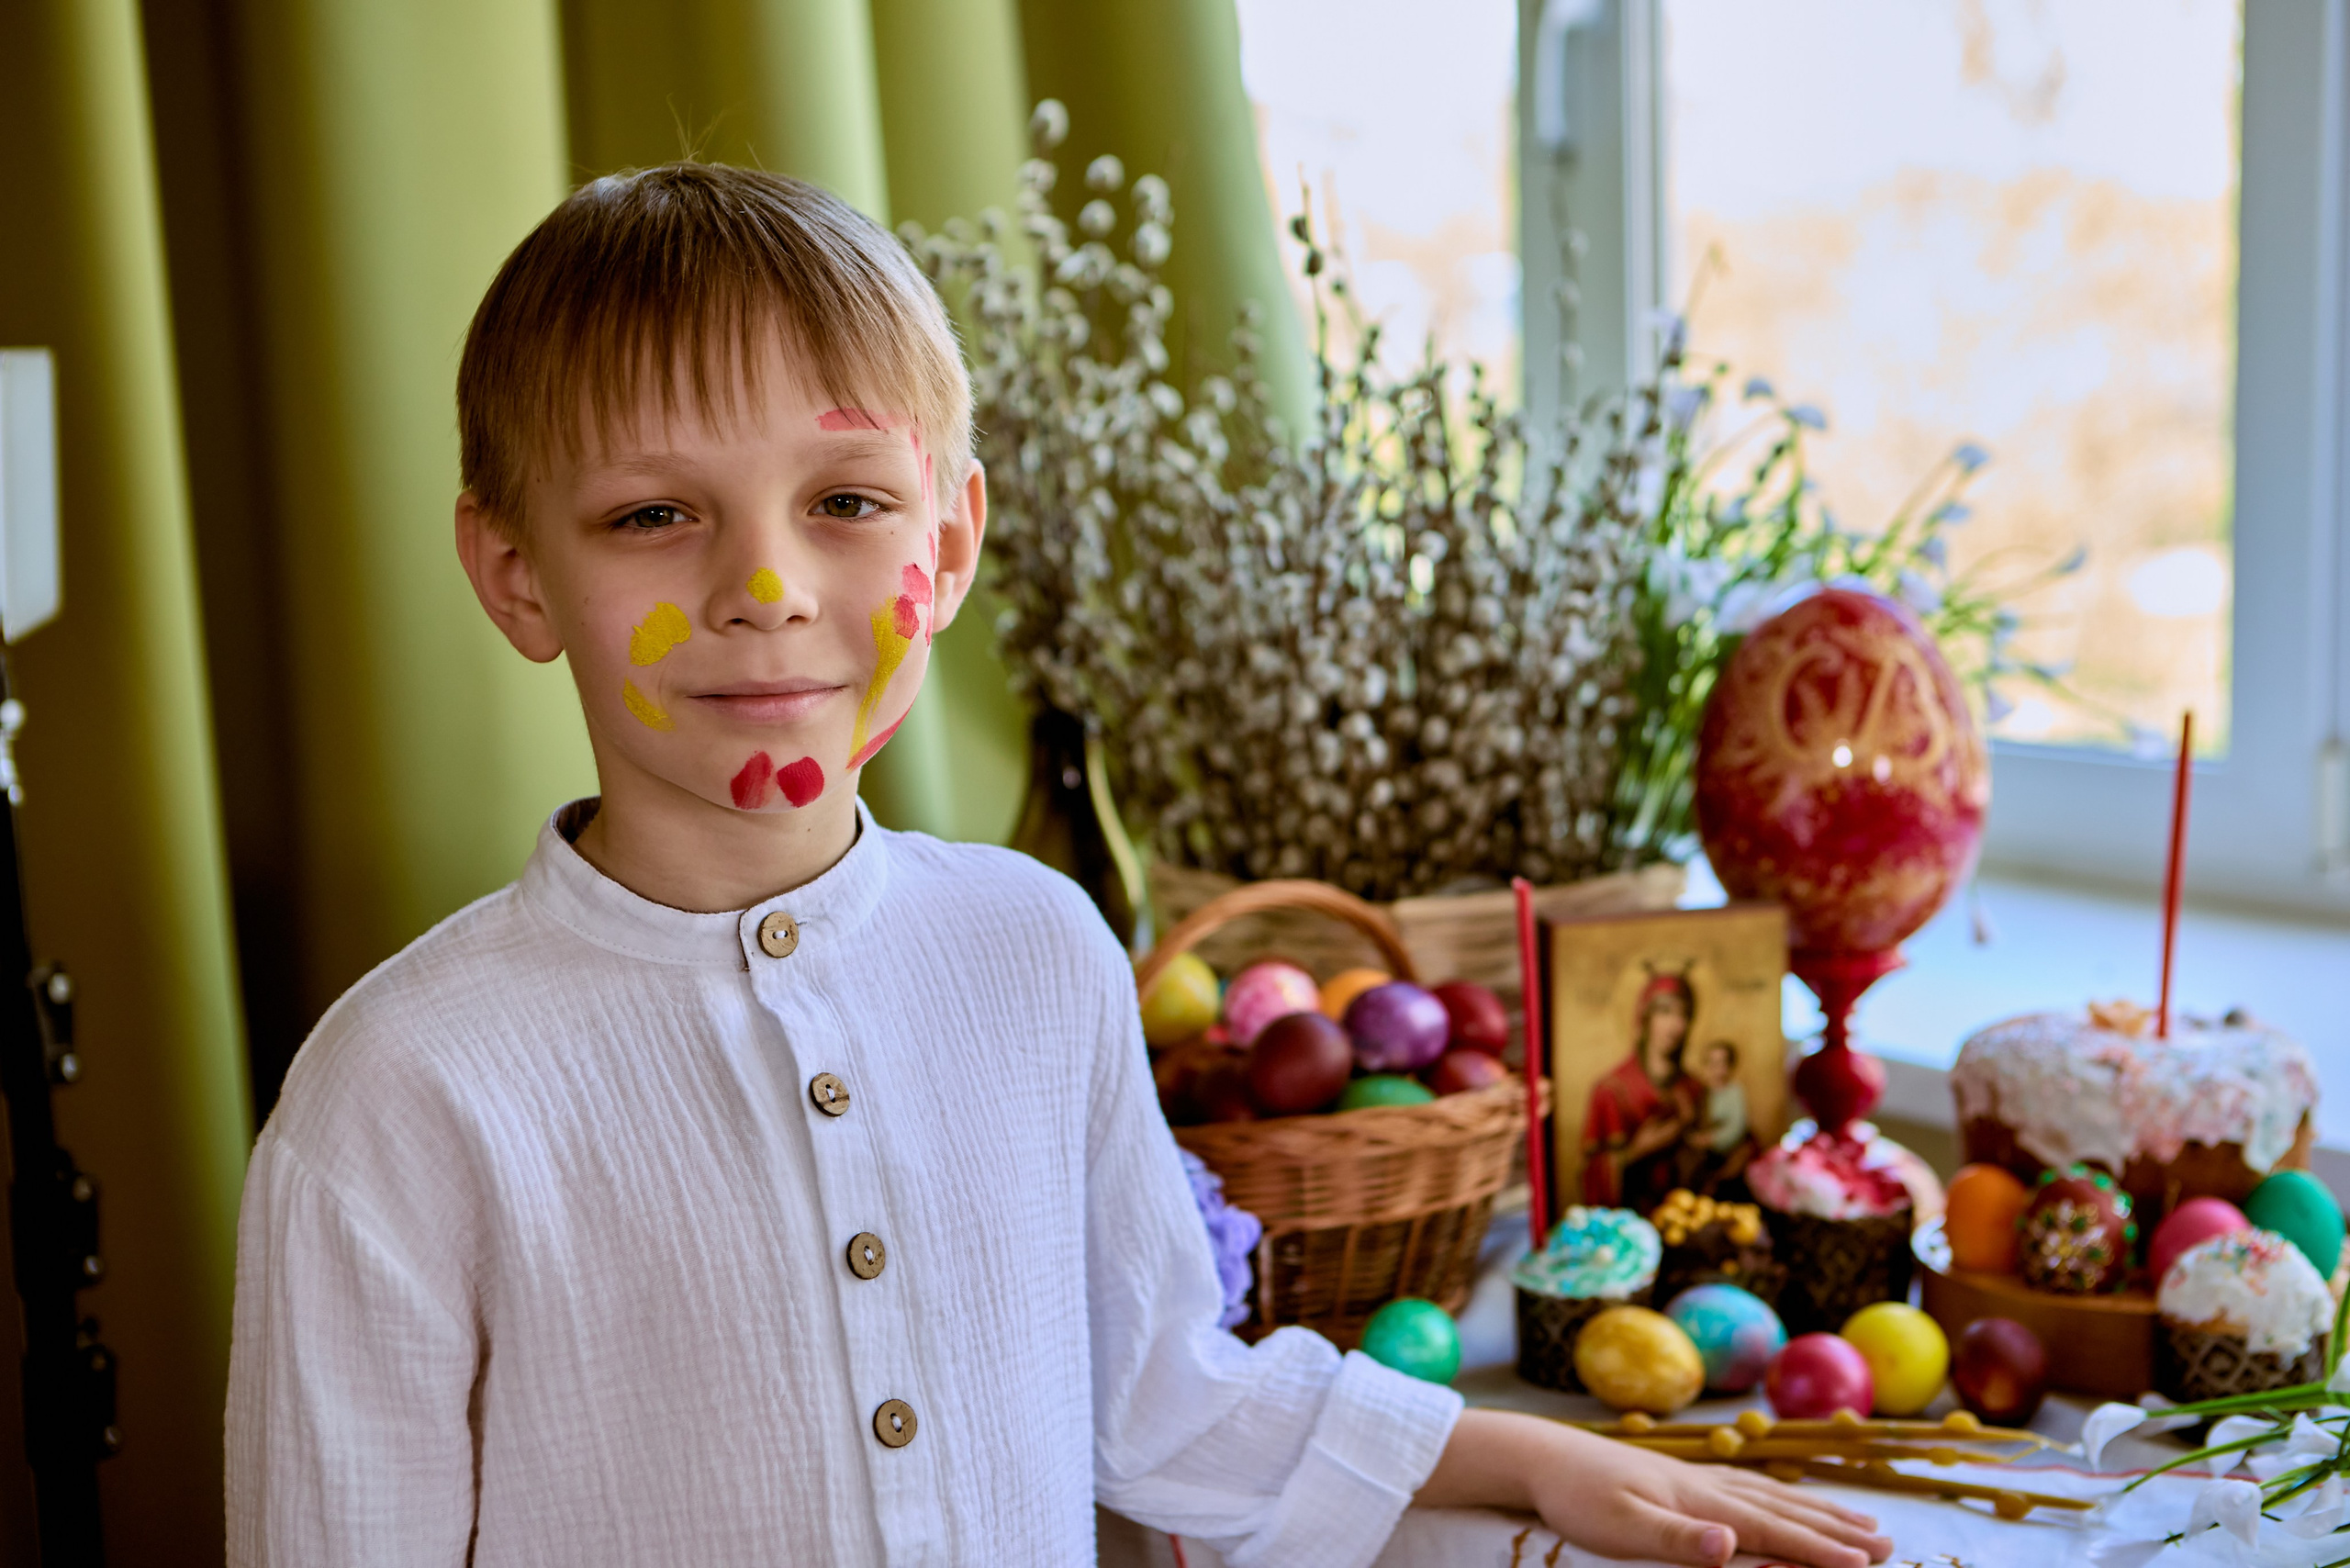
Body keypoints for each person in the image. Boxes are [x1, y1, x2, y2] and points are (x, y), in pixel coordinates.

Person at [224, 163, 1887, 1568]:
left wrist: (1532, 1458)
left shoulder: (1039, 948)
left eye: (847, 498)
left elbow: (1153, 1391)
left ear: (944, 548)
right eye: (656, 515)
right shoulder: (402, 1088)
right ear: (515, 577)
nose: (766, 584)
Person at [1581, 971, 1705, 1211]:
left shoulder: (1694, 1088)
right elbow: (1591, 1173)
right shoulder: (1611, 1090)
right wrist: (1636, 1151)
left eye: (1684, 1014)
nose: (1676, 1026)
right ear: (1644, 1017)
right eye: (1665, 1012)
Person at [1682, 1038, 1759, 1192]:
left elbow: (1736, 1126)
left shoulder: (1734, 1092)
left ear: (1729, 1067)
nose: (1715, 1069)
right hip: (1703, 1153)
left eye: (1721, 1063)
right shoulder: (1699, 1092)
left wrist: (1712, 1139)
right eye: (1711, 1063)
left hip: (1728, 1151)